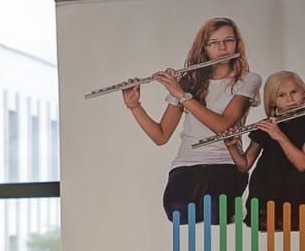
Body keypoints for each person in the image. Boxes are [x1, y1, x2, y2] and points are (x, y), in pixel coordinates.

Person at [122, 16, 259, 222]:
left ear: (237, 43)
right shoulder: (189, 81)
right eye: (214, 42)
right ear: (204, 48)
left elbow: (222, 125)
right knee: (179, 213)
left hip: (226, 163)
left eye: (228, 41)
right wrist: (134, 105)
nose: (222, 47)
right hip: (187, 164)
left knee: (215, 212)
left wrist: (181, 94)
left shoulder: (248, 80)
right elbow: (161, 135)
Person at [222, 71, 305, 230]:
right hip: (266, 196)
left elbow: (302, 164)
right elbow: (244, 165)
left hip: (297, 196)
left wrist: (279, 135)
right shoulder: (269, 124)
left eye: (294, 92)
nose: (289, 99)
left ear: (303, 93)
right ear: (273, 101)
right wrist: (231, 147)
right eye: (281, 95)